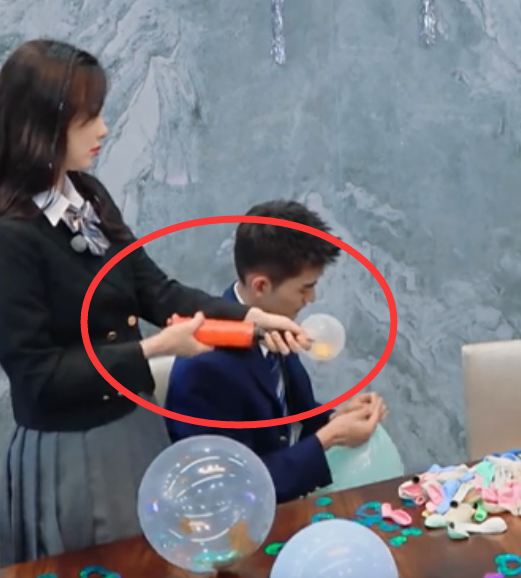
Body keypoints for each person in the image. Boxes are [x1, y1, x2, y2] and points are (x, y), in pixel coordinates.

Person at [0, 40, 312, 566]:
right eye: (89, 118)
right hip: (71, 452)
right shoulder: (3, 236)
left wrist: (251, 317)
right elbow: (38, 374)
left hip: (135, 430)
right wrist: (154, 348)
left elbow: (156, 289)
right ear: (43, 125)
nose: (104, 129)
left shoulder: (88, 195)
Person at [165, 200, 387, 503]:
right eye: (304, 288)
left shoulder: (274, 324)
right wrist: (330, 437)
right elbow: (231, 487)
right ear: (261, 286)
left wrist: (334, 417)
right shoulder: (204, 367)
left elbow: (285, 416)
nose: (311, 298)